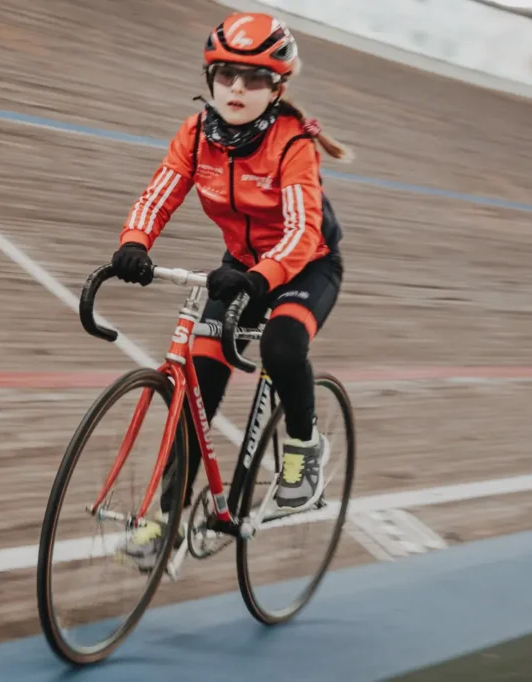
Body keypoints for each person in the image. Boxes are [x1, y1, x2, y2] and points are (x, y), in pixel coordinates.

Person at [108, 11, 352, 570]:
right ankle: (161, 521)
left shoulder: (293, 144)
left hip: (304, 266)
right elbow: (158, 194)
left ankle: (304, 450)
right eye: (227, 76)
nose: (238, 89)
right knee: (201, 379)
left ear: (278, 86)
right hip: (240, 267)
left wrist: (261, 279)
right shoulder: (196, 135)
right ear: (210, 76)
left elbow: (300, 233)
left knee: (283, 346)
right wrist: (134, 243)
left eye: (256, 79)